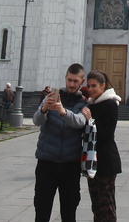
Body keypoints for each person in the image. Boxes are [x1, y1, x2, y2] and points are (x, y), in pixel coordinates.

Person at [33, 63, 89, 222]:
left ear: (81, 81)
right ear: (65, 78)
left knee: (69, 211)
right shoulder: (51, 96)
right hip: (46, 163)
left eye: (75, 81)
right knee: (42, 210)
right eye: (69, 80)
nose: (71, 84)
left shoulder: (84, 103)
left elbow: (80, 122)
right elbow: (37, 121)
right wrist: (44, 108)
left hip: (70, 165)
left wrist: (62, 111)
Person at [83, 70, 122, 222]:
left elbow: (105, 134)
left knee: (106, 205)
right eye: (89, 86)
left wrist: (89, 119)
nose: (91, 89)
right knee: (97, 206)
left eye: (94, 86)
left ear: (103, 86)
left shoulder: (110, 104)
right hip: (93, 161)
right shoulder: (93, 103)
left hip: (106, 162)